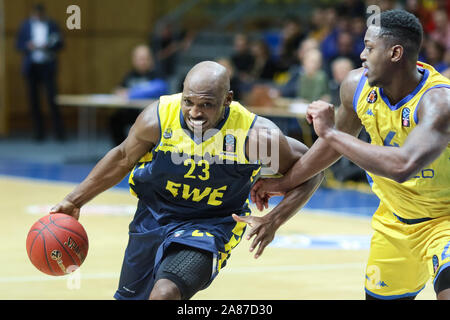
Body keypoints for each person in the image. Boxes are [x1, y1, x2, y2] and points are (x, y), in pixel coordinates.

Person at [50, 61, 323, 300]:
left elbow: (314, 169)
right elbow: (122, 157)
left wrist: (275, 218)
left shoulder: (256, 136)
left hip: (210, 226)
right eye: (189, 102)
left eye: (207, 104)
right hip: (153, 218)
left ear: (227, 99)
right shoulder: (158, 118)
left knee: (165, 294)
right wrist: (75, 200)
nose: (195, 113)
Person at [239, 9, 450, 300]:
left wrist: (330, 132)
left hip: (445, 219)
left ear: (395, 53)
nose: (362, 55)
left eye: (370, 47)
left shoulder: (439, 101)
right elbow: (333, 146)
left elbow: (404, 165)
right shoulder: (355, 86)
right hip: (395, 220)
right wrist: (283, 183)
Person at [16, 3, 65, 141]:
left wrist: (48, 45)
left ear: (44, 14)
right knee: (34, 101)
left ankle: (59, 132)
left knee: (52, 99)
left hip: (47, 66)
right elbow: (18, 44)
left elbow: (60, 43)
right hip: (32, 67)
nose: (37, 17)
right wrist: (28, 46)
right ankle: (38, 133)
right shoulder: (25, 25)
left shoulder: (53, 25)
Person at [109, 44, 168, 146]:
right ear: (134, 60)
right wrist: (119, 91)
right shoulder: (130, 75)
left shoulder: (157, 74)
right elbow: (119, 90)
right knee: (115, 120)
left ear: (151, 60)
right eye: (140, 59)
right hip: (132, 111)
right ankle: (122, 149)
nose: (143, 61)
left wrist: (131, 93)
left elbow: (161, 88)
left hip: (151, 113)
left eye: (146, 58)